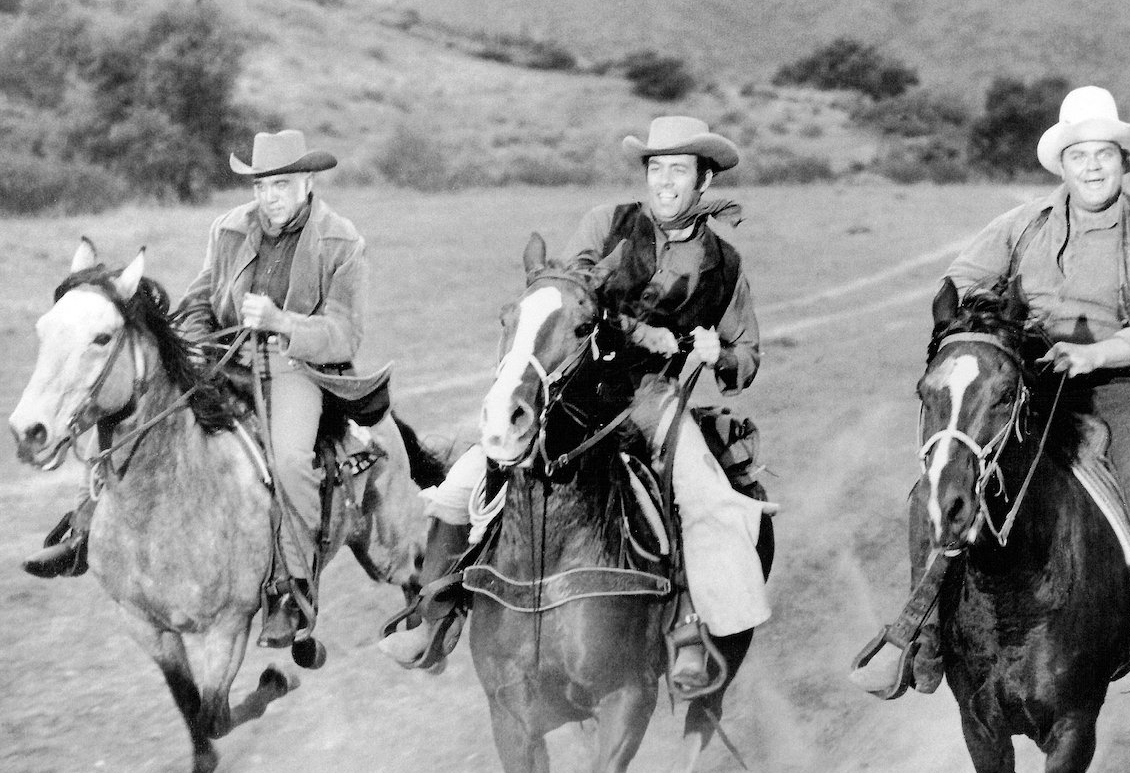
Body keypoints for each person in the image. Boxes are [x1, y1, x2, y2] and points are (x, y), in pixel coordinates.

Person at [850, 85, 1130, 721]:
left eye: (1104, 154)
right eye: (1079, 155)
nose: (1092, 166)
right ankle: (924, 634)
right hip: (1027, 381)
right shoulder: (1022, 224)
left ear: (1123, 161)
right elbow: (960, 279)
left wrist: (1100, 353)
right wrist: (979, 327)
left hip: (1117, 383)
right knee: (934, 486)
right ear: (1062, 165)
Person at [382, 115, 772, 691]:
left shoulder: (727, 266)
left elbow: (747, 359)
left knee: (704, 496)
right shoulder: (607, 224)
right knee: (470, 474)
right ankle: (435, 612)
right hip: (578, 386)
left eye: (679, 171)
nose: (664, 183)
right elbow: (569, 294)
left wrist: (717, 355)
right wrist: (640, 332)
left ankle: (690, 628)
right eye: (656, 169)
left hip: (654, 398)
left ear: (704, 180)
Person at [23, 129, 374, 651]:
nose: (269, 197)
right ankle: (82, 531)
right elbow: (200, 297)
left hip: (295, 367)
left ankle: (291, 587)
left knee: (292, 460)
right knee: (129, 412)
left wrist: (281, 321)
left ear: (306, 182)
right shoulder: (229, 228)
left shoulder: (341, 241)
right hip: (222, 356)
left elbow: (345, 332)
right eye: (261, 186)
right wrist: (185, 346)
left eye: (280, 185)